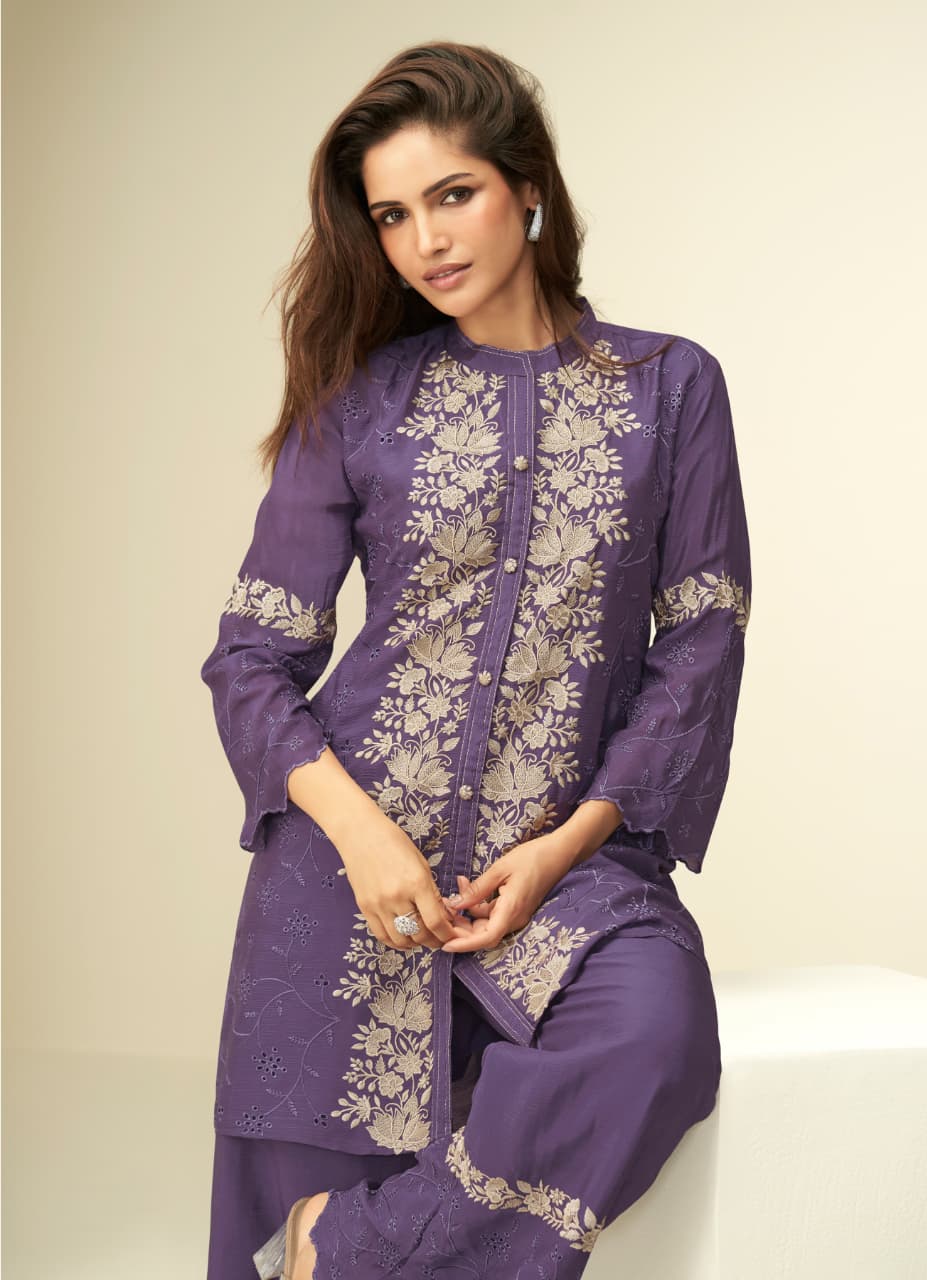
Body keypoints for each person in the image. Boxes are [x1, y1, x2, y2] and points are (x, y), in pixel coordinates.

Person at [200, 39, 752, 1280]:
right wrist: (362, 836)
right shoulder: (361, 400)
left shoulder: (671, 389)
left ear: (528, 187)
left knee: (652, 1044)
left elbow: (700, 646)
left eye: (453, 194)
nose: (426, 240)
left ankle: (334, 1248)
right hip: (355, 880)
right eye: (393, 215)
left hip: (571, 868)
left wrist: (568, 843)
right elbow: (251, 660)